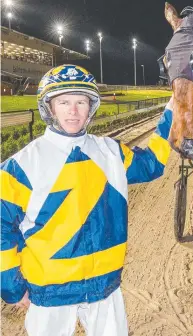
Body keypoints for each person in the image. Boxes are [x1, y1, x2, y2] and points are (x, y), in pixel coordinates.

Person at [1, 64, 174, 336]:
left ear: (91, 107)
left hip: (105, 289)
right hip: (49, 295)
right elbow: (2, 229)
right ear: (50, 107)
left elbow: (151, 165)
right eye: (64, 102)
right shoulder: (20, 166)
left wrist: (174, 111)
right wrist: (11, 288)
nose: (73, 110)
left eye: (81, 102)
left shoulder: (111, 151)